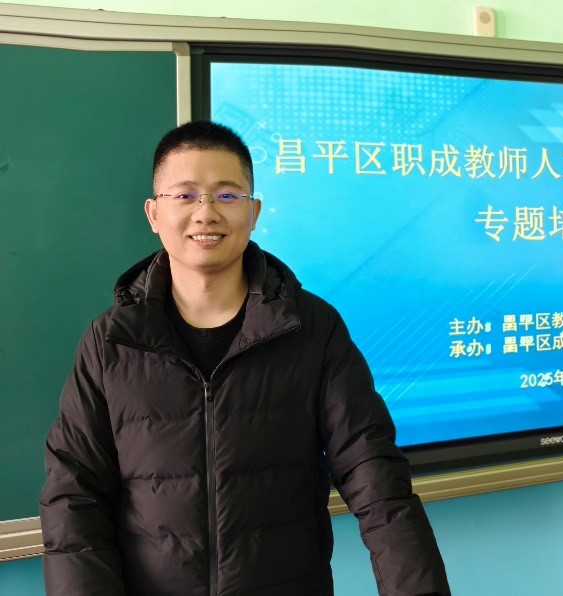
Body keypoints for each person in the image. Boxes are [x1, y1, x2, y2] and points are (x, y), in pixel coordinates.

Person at [39, 121, 450, 595]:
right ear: (154, 213)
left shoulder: (312, 329)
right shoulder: (111, 342)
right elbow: (74, 497)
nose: (206, 213)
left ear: (253, 212)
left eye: (227, 195)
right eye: (185, 195)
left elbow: (376, 479)